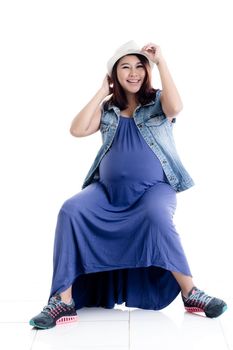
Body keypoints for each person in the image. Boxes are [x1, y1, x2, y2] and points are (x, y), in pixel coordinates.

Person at [29, 40, 227, 329]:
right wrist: (101, 92)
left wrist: (162, 62)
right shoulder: (109, 109)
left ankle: (192, 293)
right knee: (70, 210)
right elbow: (77, 129)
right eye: (125, 67)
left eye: (139, 67)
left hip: (154, 189)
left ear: (147, 72)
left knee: (156, 215)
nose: (133, 73)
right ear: (115, 74)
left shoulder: (158, 102)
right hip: (107, 193)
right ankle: (63, 300)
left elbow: (177, 106)